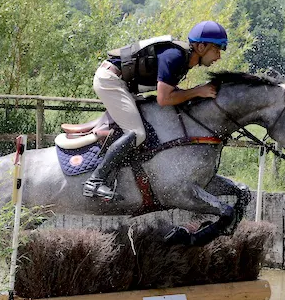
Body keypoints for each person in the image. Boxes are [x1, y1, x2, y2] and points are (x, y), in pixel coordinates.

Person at [83, 20, 228, 200]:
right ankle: (95, 181)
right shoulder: (176, 57)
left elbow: (170, 93)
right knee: (136, 133)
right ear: (201, 46)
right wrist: (198, 91)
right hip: (111, 80)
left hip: (122, 83)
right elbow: (164, 98)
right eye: (217, 49)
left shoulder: (183, 59)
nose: (219, 56)